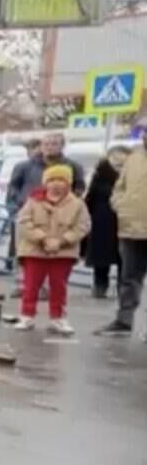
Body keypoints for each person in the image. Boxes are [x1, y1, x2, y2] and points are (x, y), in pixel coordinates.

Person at [13, 164, 91, 335]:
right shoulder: (33, 201)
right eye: (52, 180)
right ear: (45, 183)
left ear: (68, 183)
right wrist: (42, 238)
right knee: (31, 285)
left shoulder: (78, 204)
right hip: (34, 251)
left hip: (63, 253)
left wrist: (63, 240)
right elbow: (24, 222)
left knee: (59, 286)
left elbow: (83, 226)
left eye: (61, 180)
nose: (56, 184)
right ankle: (27, 315)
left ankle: (58, 318)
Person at [98, 145, 147, 338]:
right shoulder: (134, 158)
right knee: (129, 278)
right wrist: (121, 205)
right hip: (131, 227)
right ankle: (124, 321)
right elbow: (120, 187)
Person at [84, 145, 128, 299]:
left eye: (122, 158)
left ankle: (124, 288)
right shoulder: (100, 174)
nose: (118, 161)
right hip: (102, 220)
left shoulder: (135, 175)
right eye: (115, 157)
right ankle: (100, 285)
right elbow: (90, 197)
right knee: (101, 256)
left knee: (126, 256)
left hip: (126, 220)